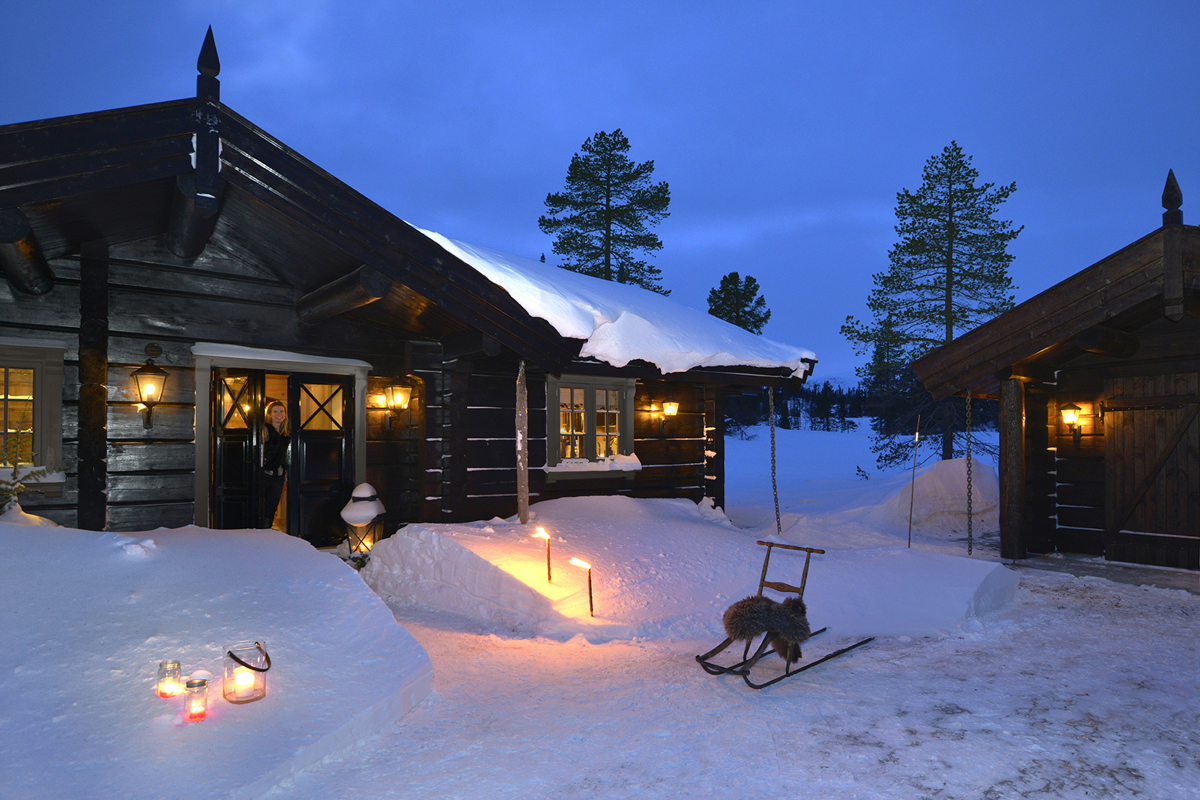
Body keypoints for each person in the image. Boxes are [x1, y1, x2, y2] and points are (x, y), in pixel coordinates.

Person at [262, 400, 290, 529]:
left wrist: (286, 473)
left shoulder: (287, 433)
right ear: (270, 414)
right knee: (261, 505)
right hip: (264, 475)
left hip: (279, 476)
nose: (279, 414)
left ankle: (266, 531)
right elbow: (258, 448)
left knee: (272, 506)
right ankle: (257, 532)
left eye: (281, 411)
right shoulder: (265, 429)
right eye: (275, 411)